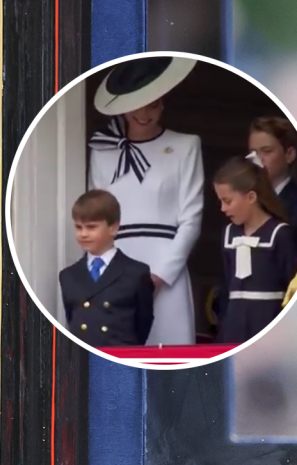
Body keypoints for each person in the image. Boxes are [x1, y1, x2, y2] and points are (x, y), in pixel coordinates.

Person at [88, 56, 204, 346]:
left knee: (171, 353)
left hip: (167, 270)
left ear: (163, 103)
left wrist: (159, 276)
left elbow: (191, 219)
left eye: (152, 103)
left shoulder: (185, 145)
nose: (144, 113)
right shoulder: (102, 150)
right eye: (137, 104)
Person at [213, 154, 297, 344]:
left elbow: (291, 287)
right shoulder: (229, 235)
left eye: (227, 201)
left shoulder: (280, 234)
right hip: (234, 327)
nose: (222, 208)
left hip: (269, 323)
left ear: (251, 197)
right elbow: (227, 286)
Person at [59, 190, 154, 347]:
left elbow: (142, 325)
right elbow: (72, 319)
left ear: (113, 228)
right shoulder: (68, 276)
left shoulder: (136, 273)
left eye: (91, 227)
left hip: (120, 356)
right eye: (78, 227)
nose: (83, 234)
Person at [248, 116, 297, 259]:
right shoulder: (245, 200)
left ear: (289, 155)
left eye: (267, 151)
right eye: (254, 153)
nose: (258, 159)